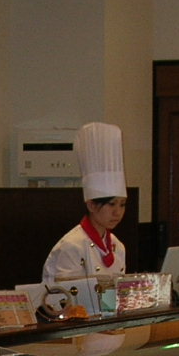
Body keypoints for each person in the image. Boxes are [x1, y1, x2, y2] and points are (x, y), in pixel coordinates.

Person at [42, 122, 127, 285]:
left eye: (122, 205)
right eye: (111, 204)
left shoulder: (118, 246)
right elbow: (66, 293)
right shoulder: (72, 245)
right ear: (91, 205)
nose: (117, 212)